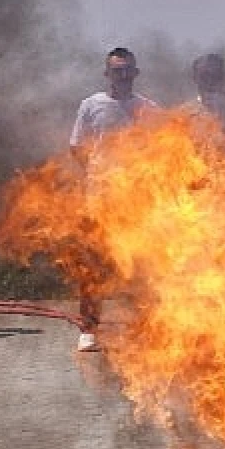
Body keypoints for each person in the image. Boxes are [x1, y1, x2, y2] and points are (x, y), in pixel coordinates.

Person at [69, 47, 159, 352]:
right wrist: (98, 177)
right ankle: (89, 329)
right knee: (93, 266)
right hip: (99, 200)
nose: (123, 76)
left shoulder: (148, 109)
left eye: (128, 70)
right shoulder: (91, 106)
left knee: (140, 265)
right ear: (107, 74)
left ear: (136, 74)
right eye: (117, 70)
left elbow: (162, 151)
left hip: (136, 203)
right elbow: (77, 148)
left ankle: (144, 328)